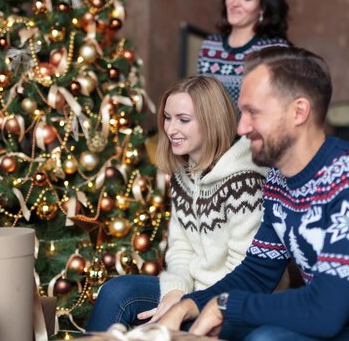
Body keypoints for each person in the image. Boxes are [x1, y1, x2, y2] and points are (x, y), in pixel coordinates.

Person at [159, 47, 349, 341]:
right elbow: (256, 274)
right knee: (186, 327)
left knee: (267, 338)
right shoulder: (277, 182)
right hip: (339, 322)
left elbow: (324, 310)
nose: (242, 128)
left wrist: (225, 305)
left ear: (299, 111)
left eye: (253, 113)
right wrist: (188, 306)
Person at [85, 76, 267, 331]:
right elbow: (180, 250)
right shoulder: (184, 174)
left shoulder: (244, 183)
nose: (170, 130)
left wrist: (188, 305)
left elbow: (243, 272)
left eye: (183, 119)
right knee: (116, 291)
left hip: (228, 299)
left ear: (211, 120)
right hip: (191, 288)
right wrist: (175, 291)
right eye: (167, 118)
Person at [197, 0, 291, 107]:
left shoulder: (274, 49)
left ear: (262, 8)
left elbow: (279, 105)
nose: (235, 3)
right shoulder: (210, 45)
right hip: (212, 129)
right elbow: (200, 99)